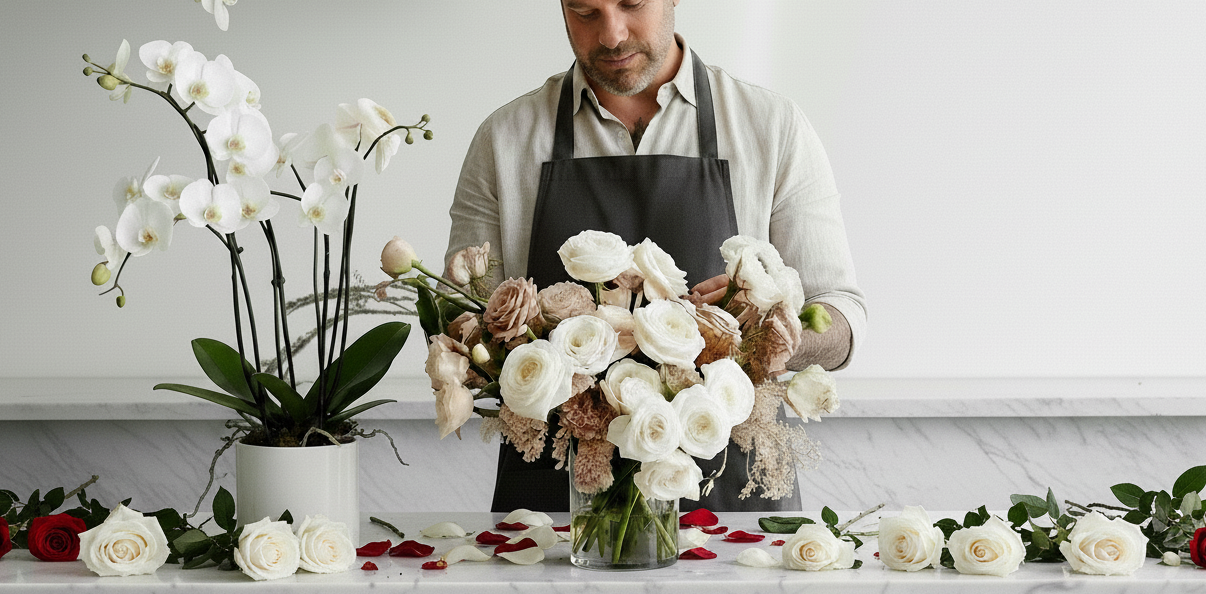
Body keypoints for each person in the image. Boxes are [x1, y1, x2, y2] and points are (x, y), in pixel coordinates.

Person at [445, 0, 866, 512]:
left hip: (731, 506)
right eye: (584, 11)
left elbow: (842, 315)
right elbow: (461, 325)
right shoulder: (504, 141)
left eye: (631, 4)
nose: (612, 34)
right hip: (558, 508)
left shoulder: (772, 127)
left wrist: (767, 340)